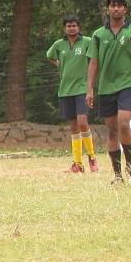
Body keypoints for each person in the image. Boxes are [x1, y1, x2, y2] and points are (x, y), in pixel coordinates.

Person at [86, 0, 131, 184]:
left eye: (119, 5)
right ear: (108, 8)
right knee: (113, 130)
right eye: (112, 5)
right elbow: (93, 63)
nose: (116, 8)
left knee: (123, 123)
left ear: (125, 9)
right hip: (106, 87)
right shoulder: (98, 35)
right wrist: (89, 89)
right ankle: (117, 174)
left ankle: (130, 169)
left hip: (128, 84)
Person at [46, 16, 98, 173]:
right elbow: (49, 56)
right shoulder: (59, 44)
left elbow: (95, 60)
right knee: (74, 126)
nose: (72, 28)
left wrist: (91, 87)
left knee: (83, 122)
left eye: (74, 25)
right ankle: (77, 164)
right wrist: (59, 64)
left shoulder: (88, 42)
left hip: (81, 88)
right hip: (65, 90)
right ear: (64, 29)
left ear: (79, 27)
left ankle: (92, 157)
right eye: (69, 26)